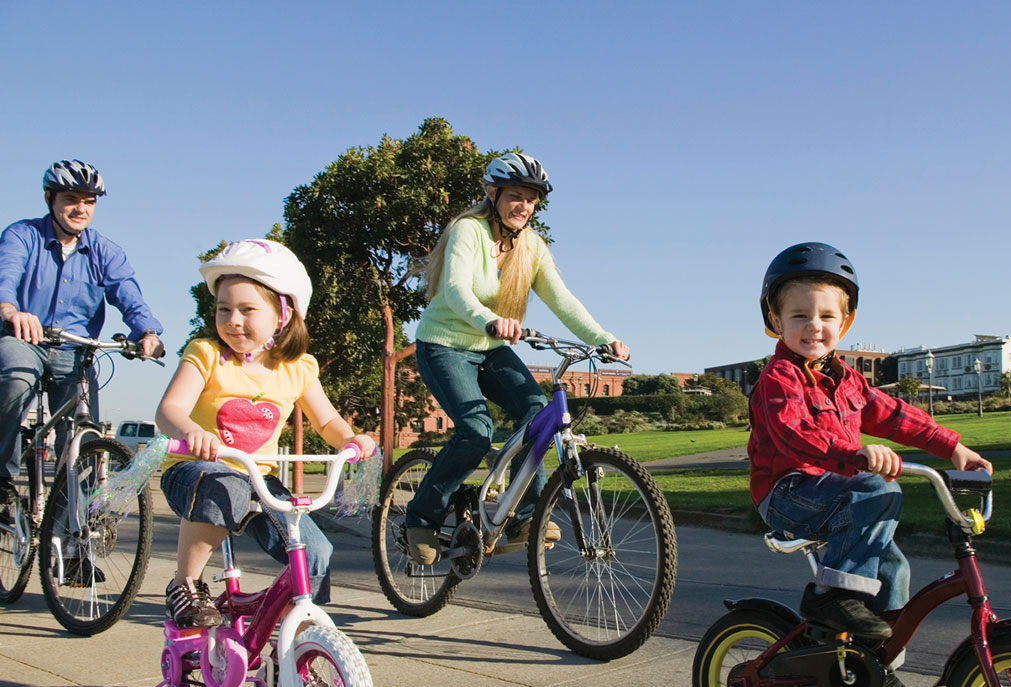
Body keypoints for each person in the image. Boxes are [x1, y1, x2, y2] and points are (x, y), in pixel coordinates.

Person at [748, 242, 992, 687]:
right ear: (776, 322)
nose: (813, 326)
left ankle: (878, 671)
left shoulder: (850, 382)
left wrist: (952, 447)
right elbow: (796, 432)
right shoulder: (779, 379)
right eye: (798, 315)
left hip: (839, 494)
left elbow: (898, 416)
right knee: (879, 489)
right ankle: (832, 598)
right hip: (789, 493)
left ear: (846, 323)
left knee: (893, 570)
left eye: (825, 316)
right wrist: (853, 454)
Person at [403, 152, 629, 565]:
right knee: (475, 429)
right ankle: (420, 518)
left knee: (536, 412)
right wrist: (489, 320)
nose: (524, 206)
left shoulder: (532, 247)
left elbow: (561, 299)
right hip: (444, 344)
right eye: (515, 196)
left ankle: (525, 518)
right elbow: (454, 290)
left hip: (490, 348)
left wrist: (603, 338)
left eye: (531, 199)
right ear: (493, 194)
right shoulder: (468, 231)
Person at [155, 239, 376, 627]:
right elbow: (169, 410)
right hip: (194, 470)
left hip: (259, 479)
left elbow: (326, 421)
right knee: (226, 486)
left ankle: (302, 640)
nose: (233, 320)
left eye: (247, 309)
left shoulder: (298, 367)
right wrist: (192, 431)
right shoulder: (206, 354)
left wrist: (350, 440)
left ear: (282, 315)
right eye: (224, 309)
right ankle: (185, 585)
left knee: (315, 552)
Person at [0, 160, 163, 536]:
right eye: (71, 199)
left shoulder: (106, 252)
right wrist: (11, 310)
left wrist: (147, 333)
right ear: (50, 199)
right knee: (14, 381)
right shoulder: (22, 235)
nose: (80, 209)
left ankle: (74, 541)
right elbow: (5, 275)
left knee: (83, 438)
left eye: (89, 201)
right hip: (26, 338)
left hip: (76, 351)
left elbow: (129, 295)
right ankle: (3, 483)